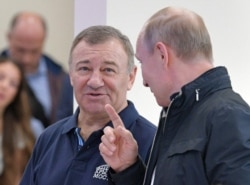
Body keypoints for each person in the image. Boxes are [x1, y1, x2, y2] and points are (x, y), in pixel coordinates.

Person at [99, 6, 250, 185]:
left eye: (142, 62)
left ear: (162, 55)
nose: (144, 82)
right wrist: (128, 169)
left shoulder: (228, 116)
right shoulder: (181, 114)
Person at [20, 25, 157, 185]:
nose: (94, 81)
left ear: (131, 77)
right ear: (71, 75)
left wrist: (128, 171)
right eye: (84, 69)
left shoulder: (153, 143)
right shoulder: (49, 138)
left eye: (108, 70)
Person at [0, 11, 73, 128]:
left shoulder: (61, 79)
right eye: (20, 50)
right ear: (9, 37)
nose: (26, 59)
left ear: (43, 41)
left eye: (34, 51)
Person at [0, 57, 36, 185]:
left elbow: (14, 180)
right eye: (1, 77)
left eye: (13, 84)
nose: (4, 86)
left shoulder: (16, 130)